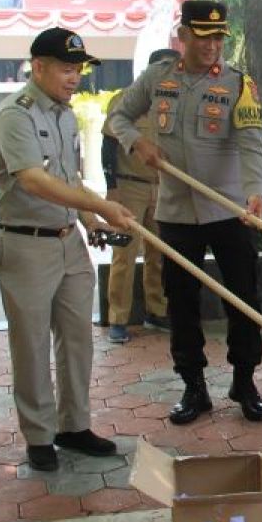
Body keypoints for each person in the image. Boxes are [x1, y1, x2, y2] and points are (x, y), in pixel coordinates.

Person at [108, 1, 262, 425]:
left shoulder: (240, 84)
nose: (212, 46)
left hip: (230, 209)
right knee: (181, 303)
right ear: (183, 37)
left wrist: (257, 194)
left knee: (244, 299)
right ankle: (193, 387)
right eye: (203, 37)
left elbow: (253, 142)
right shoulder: (157, 79)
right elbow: (118, 117)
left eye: (219, 38)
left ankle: (245, 381)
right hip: (176, 211)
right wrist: (136, 143)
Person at [0, 27, 133, 472]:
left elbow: (67, 179)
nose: (75, 78)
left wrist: (90, 219)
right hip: (24, 244)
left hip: (68, 243)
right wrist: (101, 205)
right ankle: (38, 436)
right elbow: (33, 179)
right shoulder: (16, 114)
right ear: (39, 67)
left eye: (78, 70)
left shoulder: (65, 115)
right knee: (31, 345)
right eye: (67, 69)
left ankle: (74, 426)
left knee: (76, 341)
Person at [100, 48, 177, 344]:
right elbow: (108, 147)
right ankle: (118, 319)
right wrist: (112, 186)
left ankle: (156, 312)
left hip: (163, 186)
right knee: (125, 254)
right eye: (162, 67)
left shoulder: (172, 103)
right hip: (130, 186)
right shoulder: (124, 100)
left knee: (159, 253)